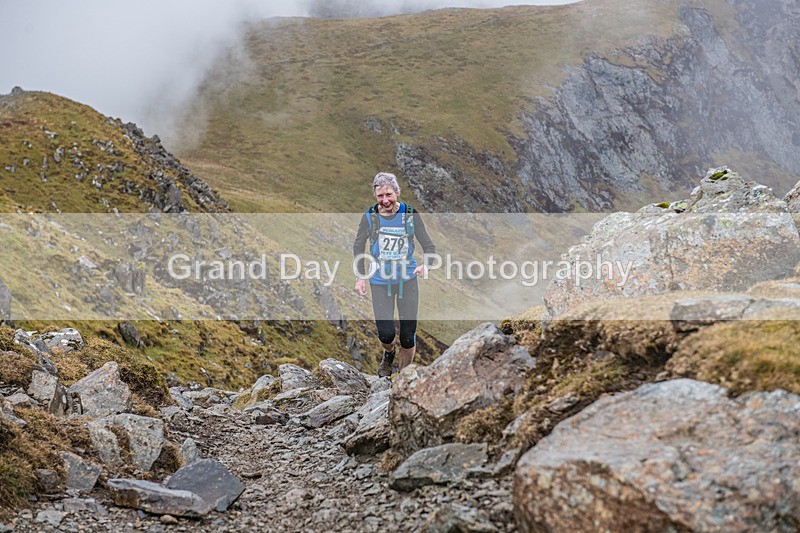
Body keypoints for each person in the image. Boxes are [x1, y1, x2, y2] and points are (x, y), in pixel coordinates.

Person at [353, 172, 436, 378]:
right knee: (386, 334)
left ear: (397, 192)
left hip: (407, 280)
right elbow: (358, 245)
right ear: (375, 196)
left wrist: (427, 265)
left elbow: (428, 245)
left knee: (408, 337)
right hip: (380, 281)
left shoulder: (409, 214)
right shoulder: (370, 217)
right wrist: (361, 276)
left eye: (389, 194)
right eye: (380, 196)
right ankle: (388, 354)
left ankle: (403, 376)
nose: (385, 200)